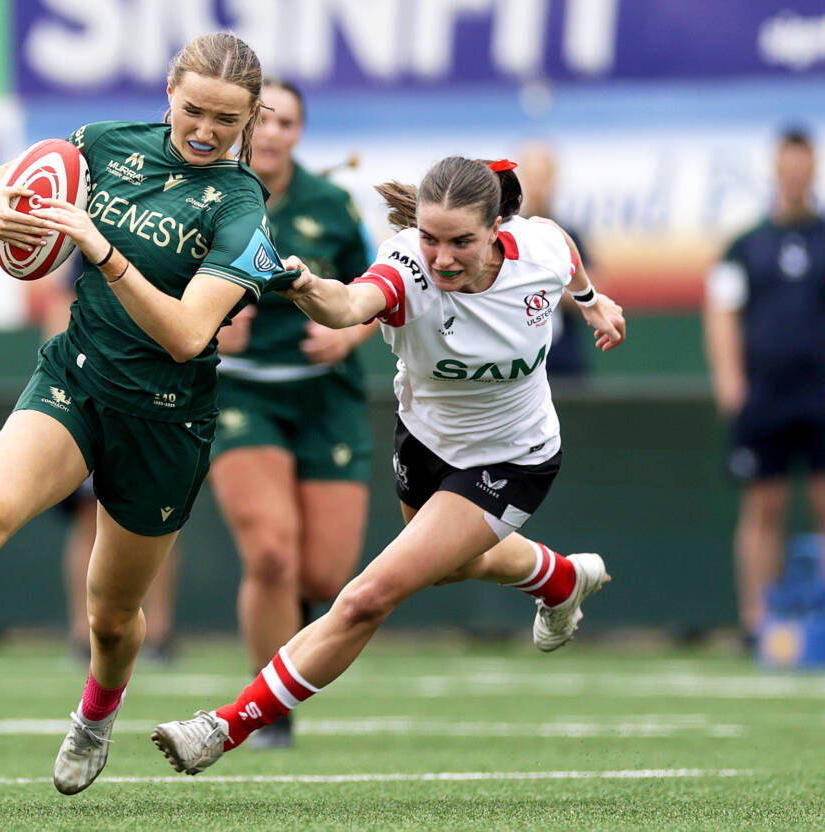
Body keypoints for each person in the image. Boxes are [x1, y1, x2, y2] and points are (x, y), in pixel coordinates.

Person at [0, 32, 296, 795]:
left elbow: (188, 333)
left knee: (110, 616)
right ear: (170, 87)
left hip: (164, 417)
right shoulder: (104, 143)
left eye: (227, 121)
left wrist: (102, 252)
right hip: (75, 378)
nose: (205, 131)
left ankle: (95, 718)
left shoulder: (242, 208)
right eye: (194, 109)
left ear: (250, 118)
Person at [150, 155, 627, 775]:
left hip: (515, 458)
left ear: (498, 229)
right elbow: (350, 305)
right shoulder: (408, 267)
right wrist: (302, 285)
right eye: (431, 237)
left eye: (462, 241)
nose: (444, 257)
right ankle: (559, 579)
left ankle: (224, 726)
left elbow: (562, 246)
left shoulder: (537, 250)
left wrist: (590, 300)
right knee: (454, 564)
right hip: (425, 445)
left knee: (367, 597)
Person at [210, 79, 376, 748]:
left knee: (324, 577)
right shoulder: (206, 197)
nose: (273, 133)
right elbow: (154, 286)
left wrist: (348, 331)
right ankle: (267, 707)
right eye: (263, 119)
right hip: (240, 392)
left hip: (325, 391)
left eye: (287, 122)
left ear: (300, 133)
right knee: (272, 553)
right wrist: (207, 324)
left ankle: (286, 643)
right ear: (245, 125)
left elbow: (379, 292)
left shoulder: (333, 205)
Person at [703, 128, 825, 640]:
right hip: (765, 398)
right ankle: (758, 620)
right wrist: (730, 379)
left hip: (820, 394)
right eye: (787, 165)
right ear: (776, 170)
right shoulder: (744, 245)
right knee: (764, 507)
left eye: (804, 165)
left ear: (812, 169)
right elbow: (722, 312)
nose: (795, 174)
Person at [29, 262, 181, 663]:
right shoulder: (101, 226)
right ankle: (84, 635)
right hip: (98, 389)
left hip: (160, 389)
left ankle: (158, 635)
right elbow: (62, 297)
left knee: (160, 516)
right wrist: (68, 373)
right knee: (89, 516)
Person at [516, 140, 593, 380]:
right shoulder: (510, 235)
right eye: (531, 178)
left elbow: (594, 289)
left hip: (564, 359)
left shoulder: (567, 235)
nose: (537, 187)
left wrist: (544, 287)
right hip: (519, 359)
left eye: (543, 178)